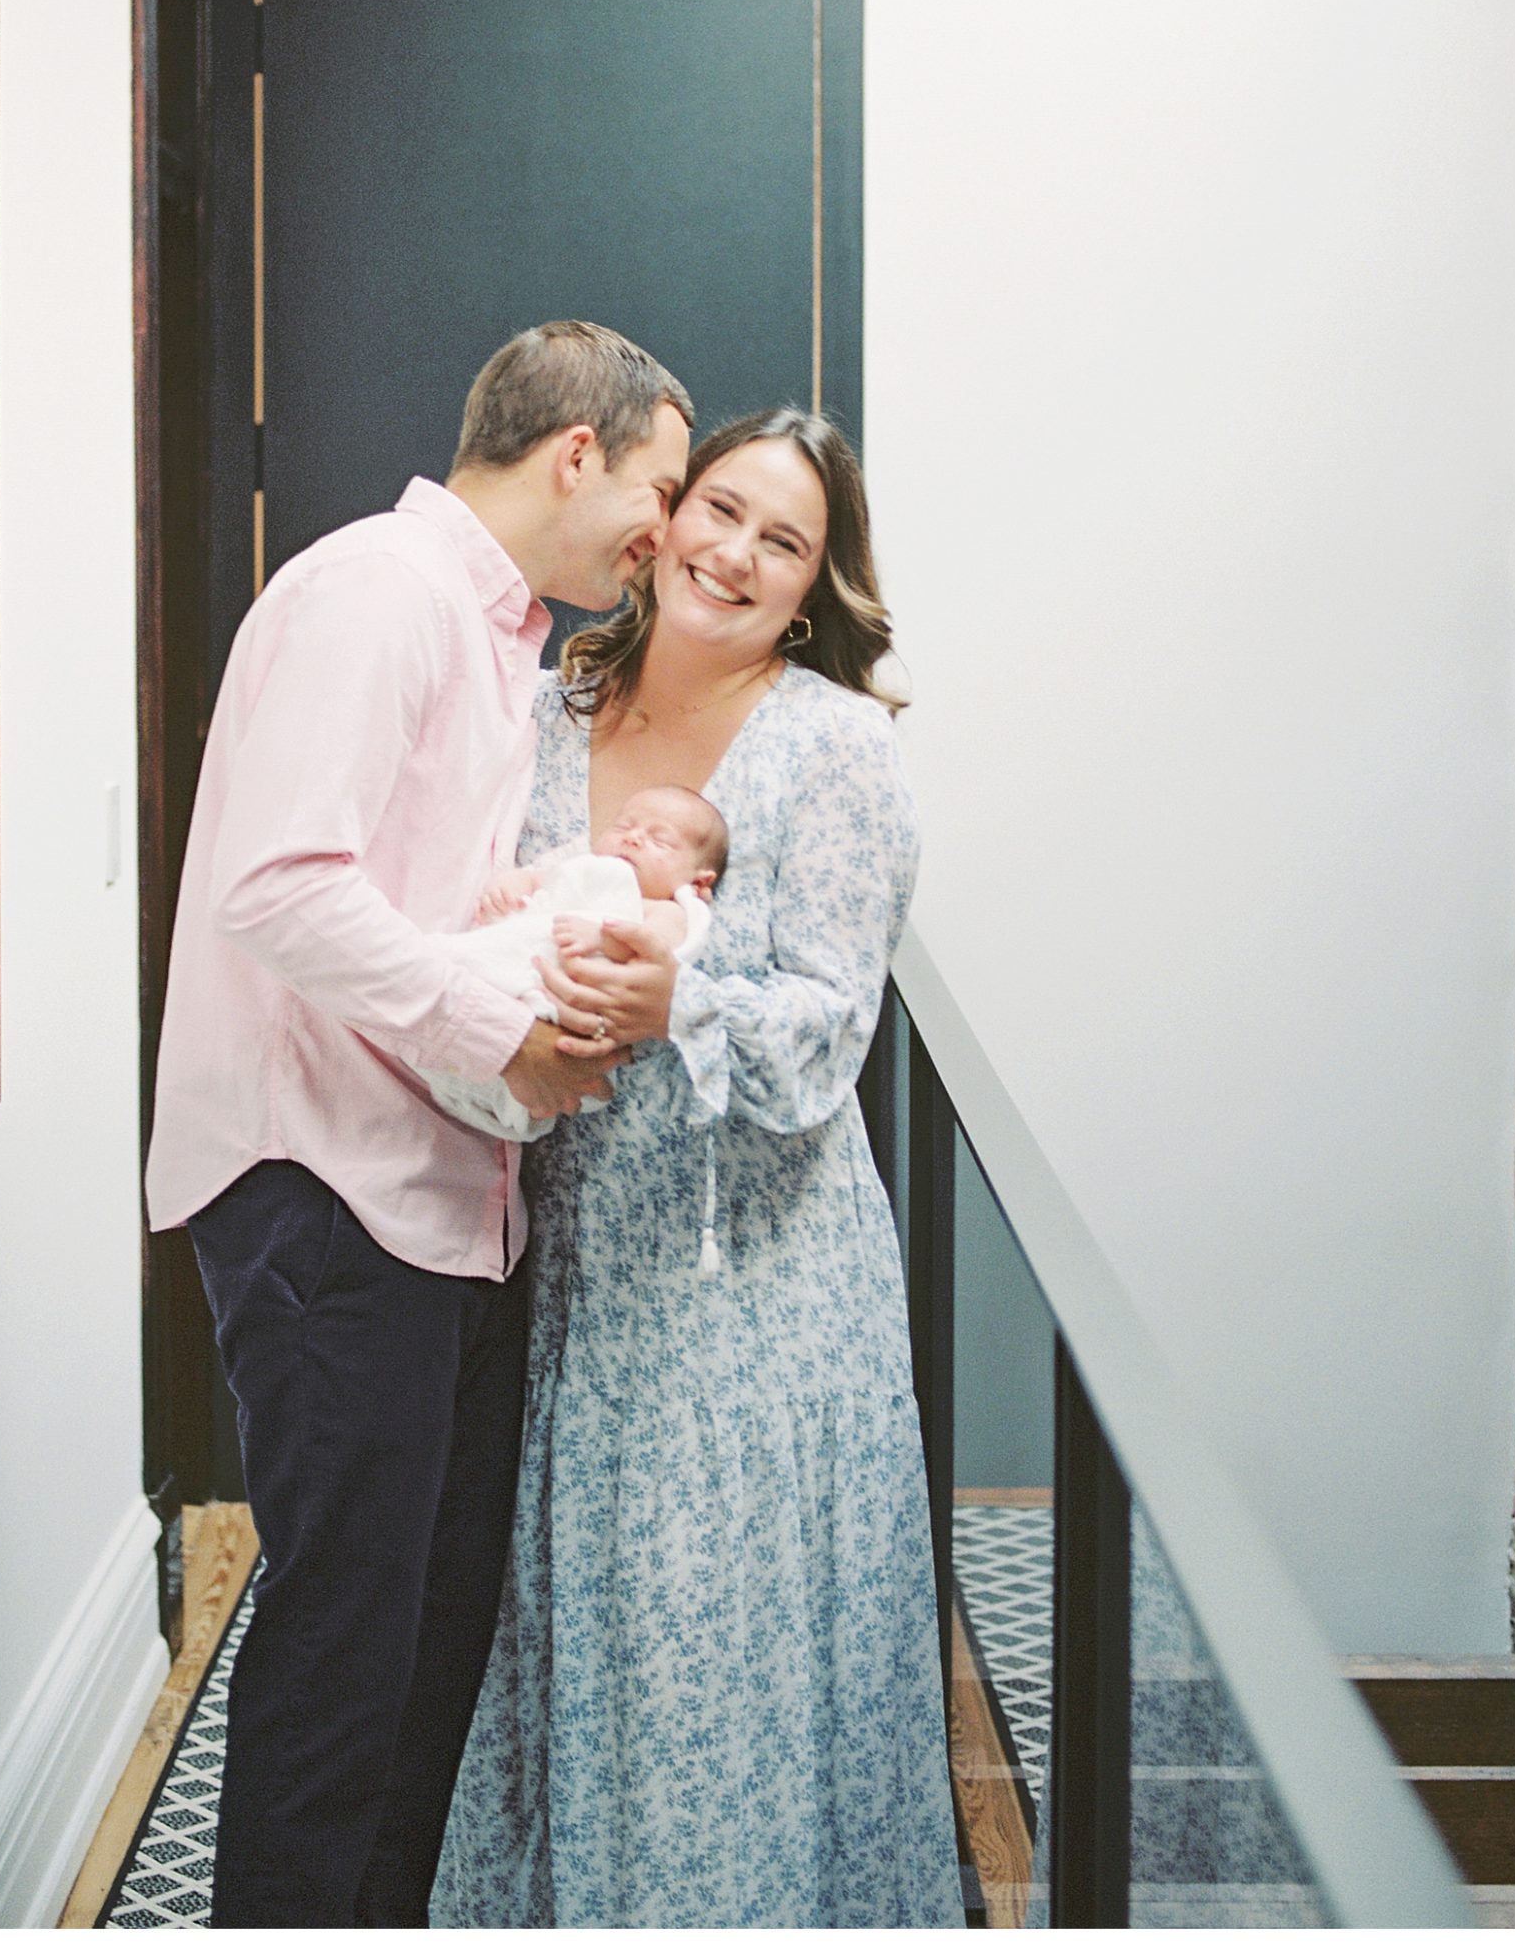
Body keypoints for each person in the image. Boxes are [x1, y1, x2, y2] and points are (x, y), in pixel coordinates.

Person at [144, 320, 692, 1928]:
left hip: (437, 1201)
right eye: (657, 489)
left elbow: (398, 889)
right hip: (323, 1197)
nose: (663, 535)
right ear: (572, 452)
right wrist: (503, 1025)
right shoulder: (372, 594)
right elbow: (275, 884)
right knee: (342, 1656)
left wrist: (533, 918)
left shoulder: (494, 637)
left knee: (426, 1647)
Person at [431, 407, 967, 1928]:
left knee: (716, 1661)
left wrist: (685, 1002)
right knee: (574, 1644)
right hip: (560, 1272)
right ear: (658, 520)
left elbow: (828, 1030)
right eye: (718, 508)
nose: (733, 552)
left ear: (813, 588)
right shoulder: (541, 711)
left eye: (781, 540)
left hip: (756, 1306)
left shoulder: (837, 750)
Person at [425, 786, 729, 1143]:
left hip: (565, 1014)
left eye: (659, 841)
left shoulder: (668, 909)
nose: (632, 838)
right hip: (513, 976)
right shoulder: (585, 868)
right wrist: (511, 887)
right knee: (450, 962)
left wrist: (602, 937)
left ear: (698, 880)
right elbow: (539, 878)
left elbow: (652, 949)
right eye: (623, 826)